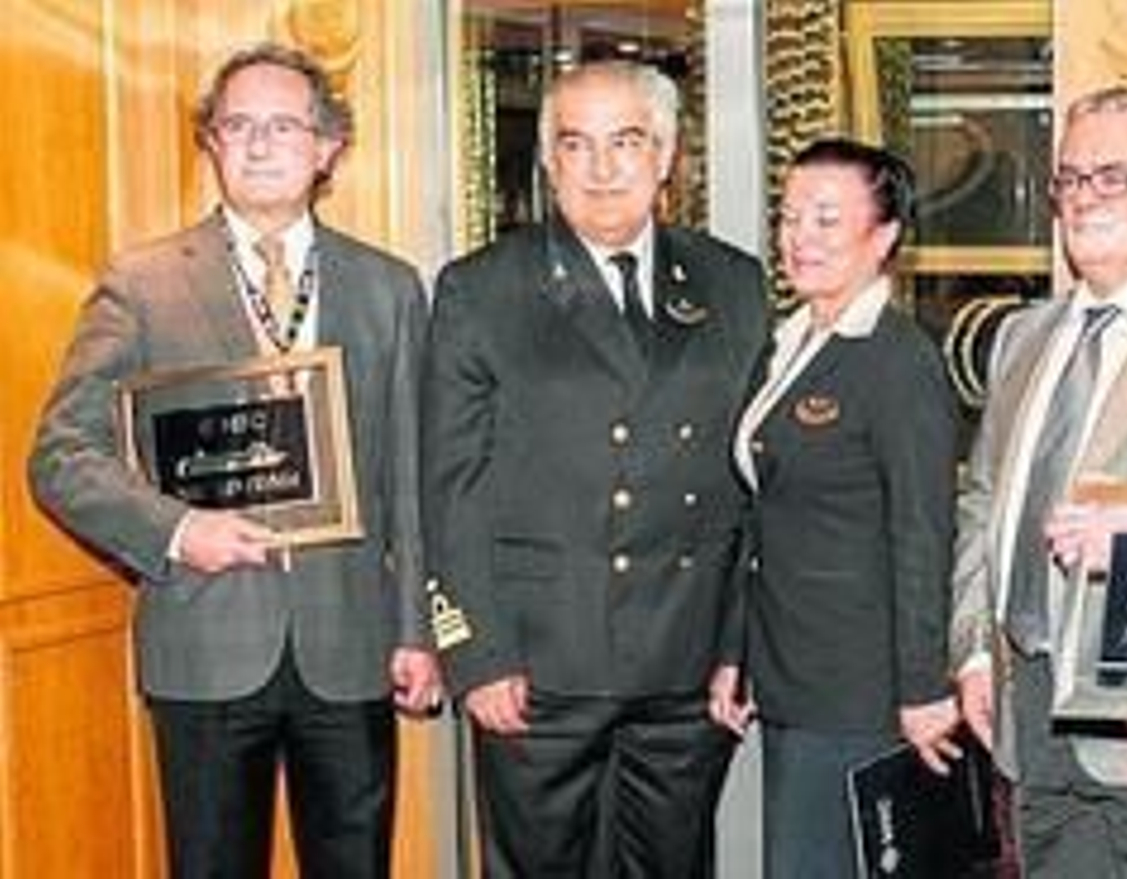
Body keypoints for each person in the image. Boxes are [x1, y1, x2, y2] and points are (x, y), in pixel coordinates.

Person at [27, 43, 439, 877]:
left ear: (327, 148)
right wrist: (178, 530)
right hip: (205, 644)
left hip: (350, 644)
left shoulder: (390, 288)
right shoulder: (141, 283)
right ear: (210, 143)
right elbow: (61, 454)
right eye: (236, 125)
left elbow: (411, 476)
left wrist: (415, 629)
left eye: (283, 125)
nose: (258, 144)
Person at [421, 60, 768, 877]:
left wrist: (738, 643)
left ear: (667, 155)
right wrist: (476, 654)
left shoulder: (734, 282)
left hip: (684, 664)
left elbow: (754, 490)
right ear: (548, 162)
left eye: (627, 142)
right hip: (539, 665)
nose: (603, 169)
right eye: (577, 145)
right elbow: (450, 488)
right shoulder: (482, 290)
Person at [948, 85, 1127, 877]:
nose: (1082, 199)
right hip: (1024, 698)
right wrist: (972, 652)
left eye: (1112, 177)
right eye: (1070, 179)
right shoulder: (1022, 337)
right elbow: (980, 502)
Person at [708, 138, 962, 878]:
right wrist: (736, 653)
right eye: (789, 218)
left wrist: (921, 688)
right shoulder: (787, 343)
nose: (800, 238)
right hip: (790, 673)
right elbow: (759, 517)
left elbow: (923, 534)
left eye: (826, 219)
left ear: (883, 237)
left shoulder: (898, 360)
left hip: (862, 690)